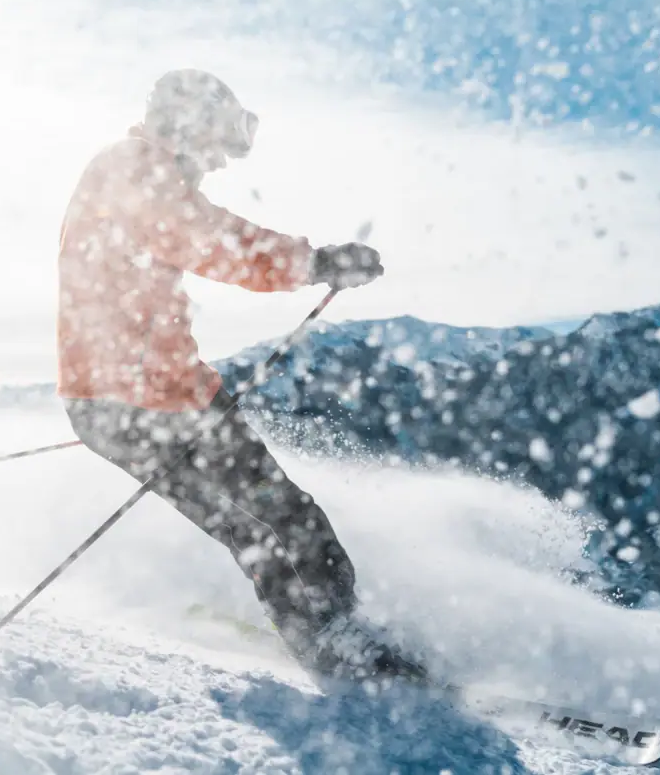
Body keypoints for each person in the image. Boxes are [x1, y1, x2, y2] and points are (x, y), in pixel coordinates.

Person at [55, 68, 424, 685]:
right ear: (187, 126)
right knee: (269, 529)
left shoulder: (146, 173)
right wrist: (313, 261)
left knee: (290, 517)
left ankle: (337, 626)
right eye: (217, 145)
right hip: (133, 404)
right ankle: (335, 651)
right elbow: (210, 239)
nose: (221, 162)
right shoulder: (133, 169)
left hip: (171, 396)